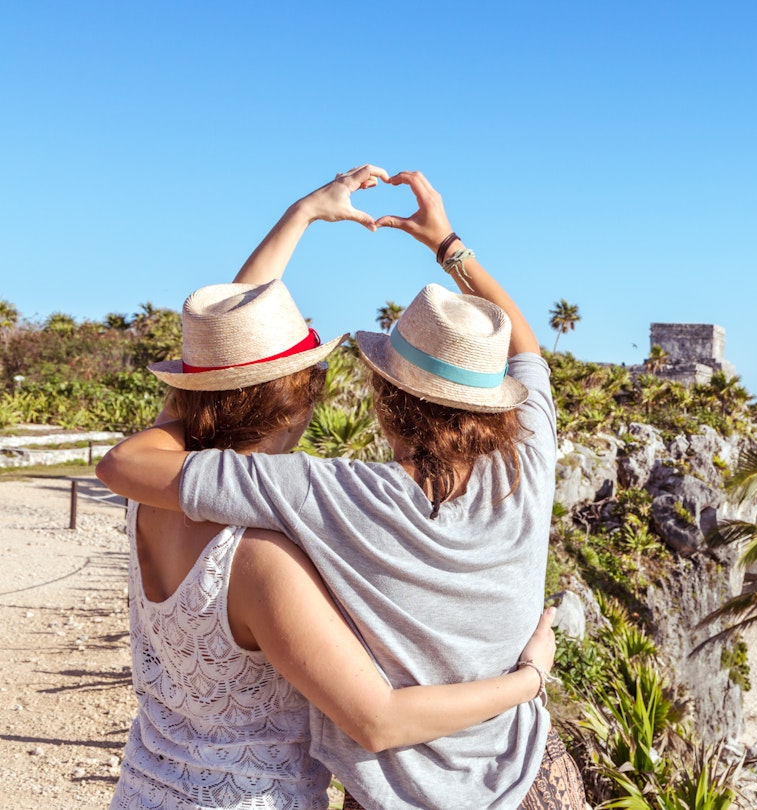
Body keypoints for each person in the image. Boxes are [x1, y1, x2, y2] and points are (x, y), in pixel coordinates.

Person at [99, 166, 583, 810]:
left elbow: (144, 445)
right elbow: (527, 349)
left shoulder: (322, 496)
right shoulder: (528, 456)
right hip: (533, 779)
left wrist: (299, 215)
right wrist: (450, 248)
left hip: (395, 795)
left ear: (383, 403)